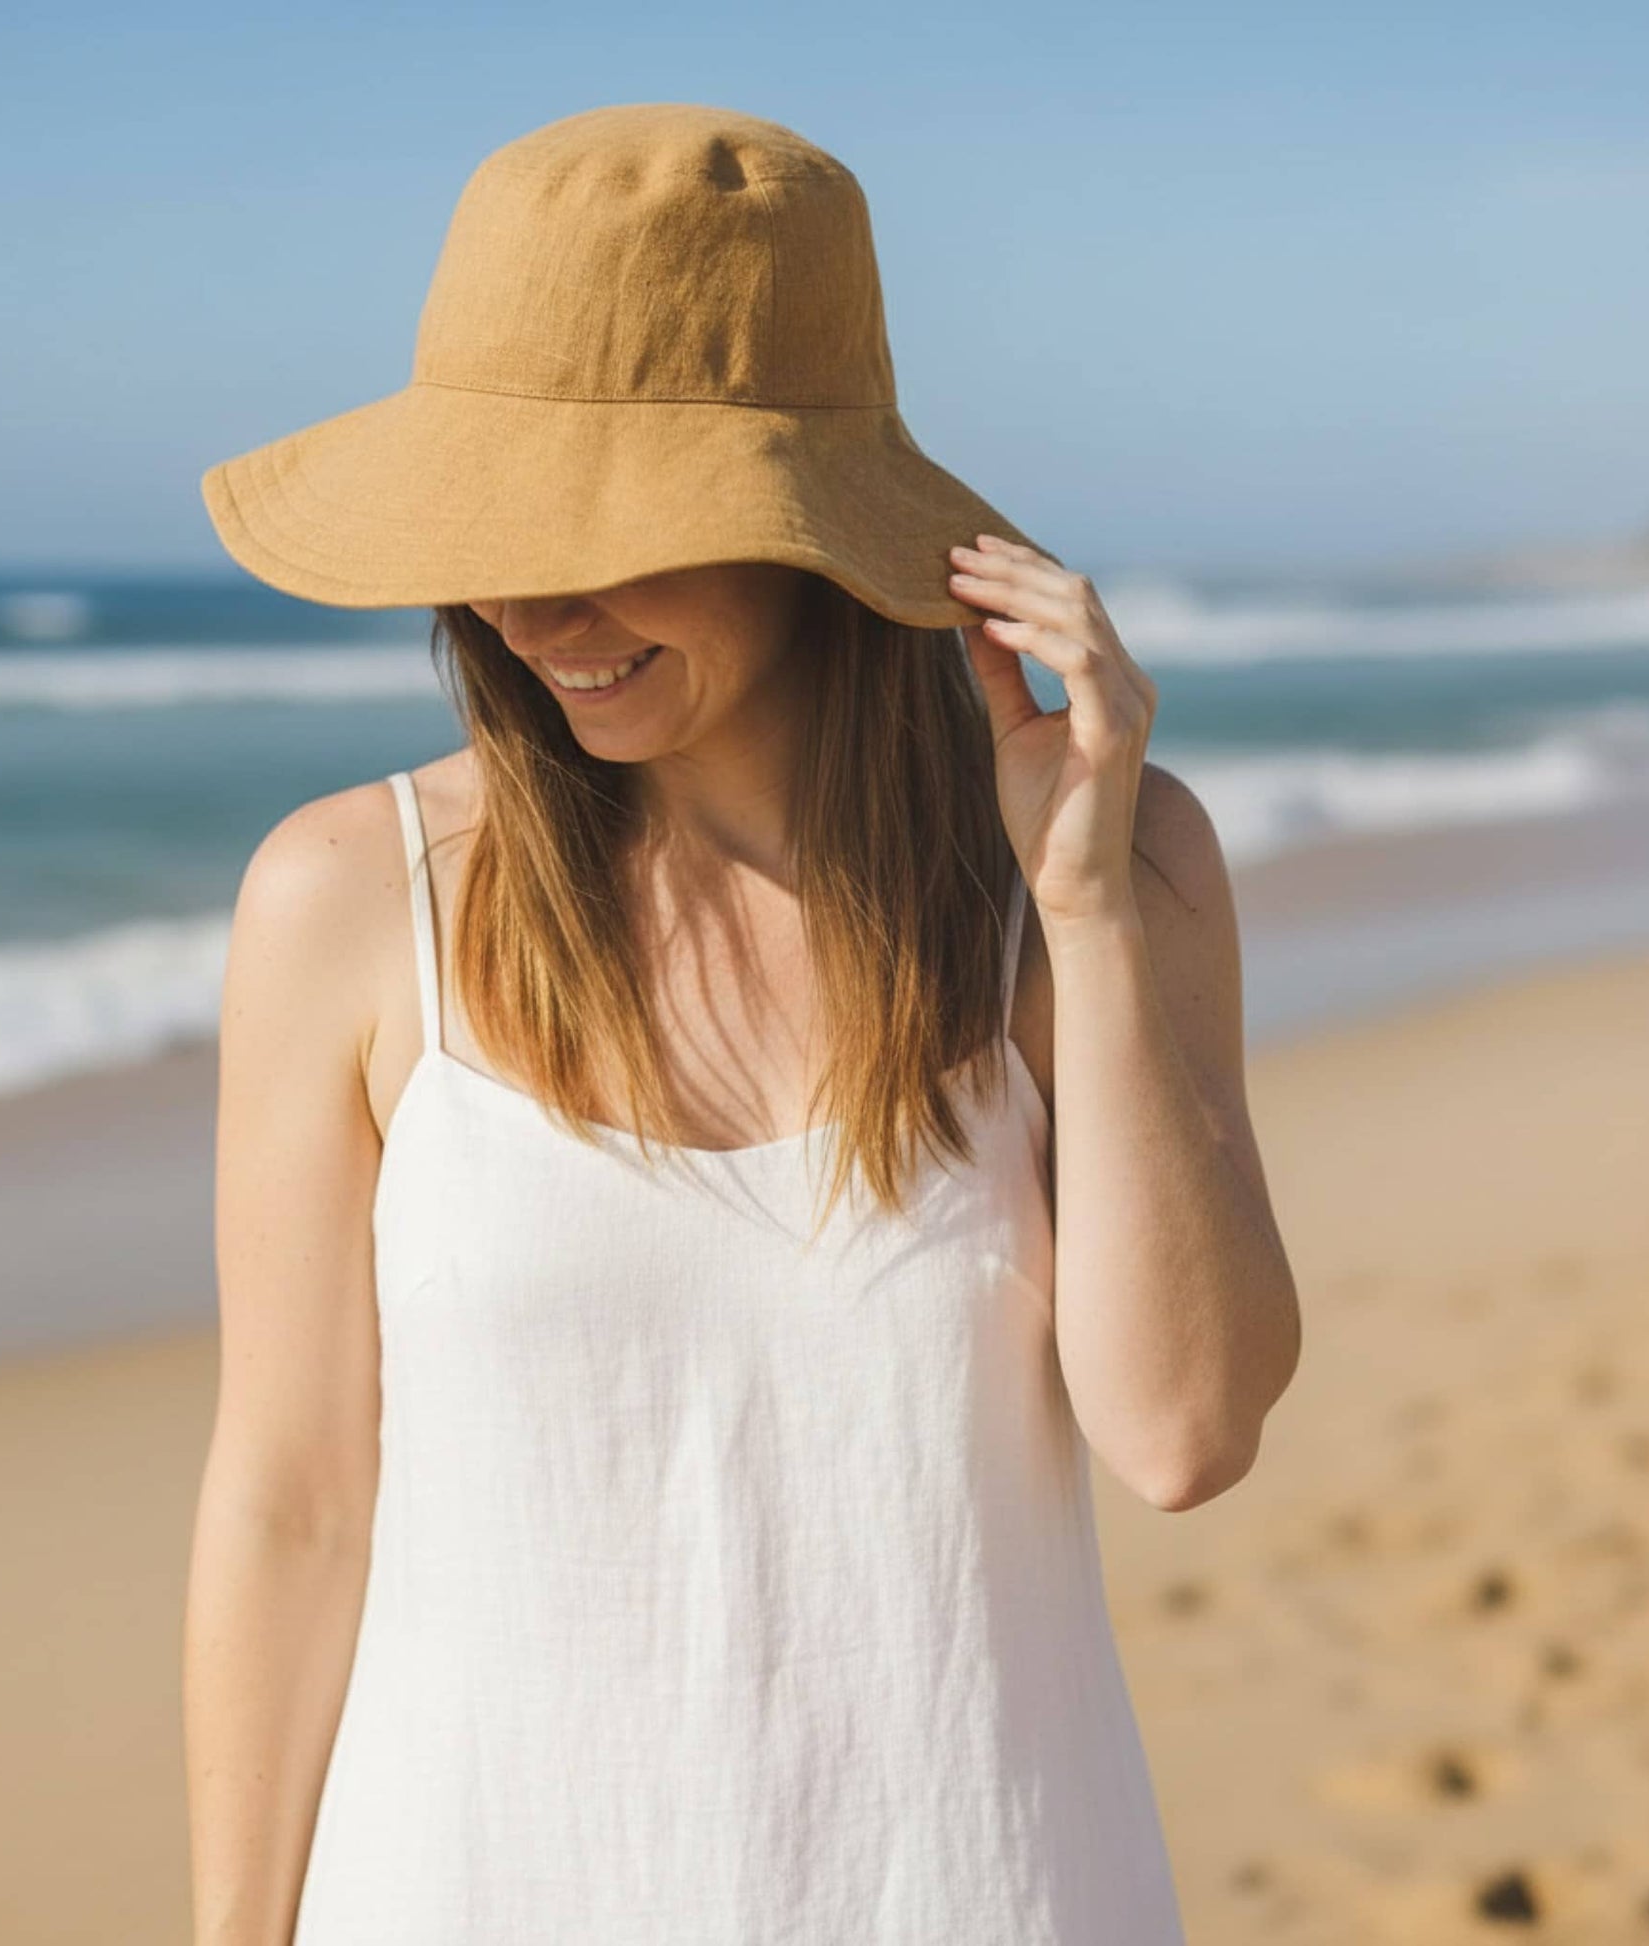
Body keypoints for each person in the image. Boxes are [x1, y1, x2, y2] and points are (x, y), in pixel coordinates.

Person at [184, 102, 1299, 1946]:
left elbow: (1182, 1429)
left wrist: (1086, 910)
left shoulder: (1097, 869)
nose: (531, 605)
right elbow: (292, 1504)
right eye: (488, 525)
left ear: (810, 528)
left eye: (613, 531)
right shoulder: (348, 898)